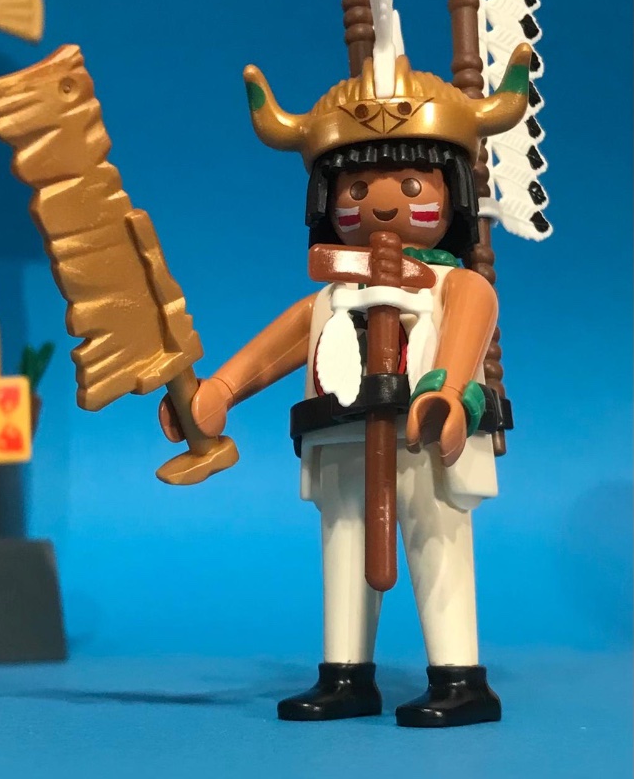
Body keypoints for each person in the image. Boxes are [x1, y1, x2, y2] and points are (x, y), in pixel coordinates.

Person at [159, 44, 532, 727]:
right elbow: (270, 352)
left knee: (437, 546)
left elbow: (463, 337)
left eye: (412, 187)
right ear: (327, 202)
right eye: (356, 191)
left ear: (453, 193)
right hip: (339, 437)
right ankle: (345, 674)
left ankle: (459, 678)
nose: (382, 203)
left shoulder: (458, 284)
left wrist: (445, 395)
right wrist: (219, 392)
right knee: (342, 548)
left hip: (427, 438)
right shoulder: (332, 295)